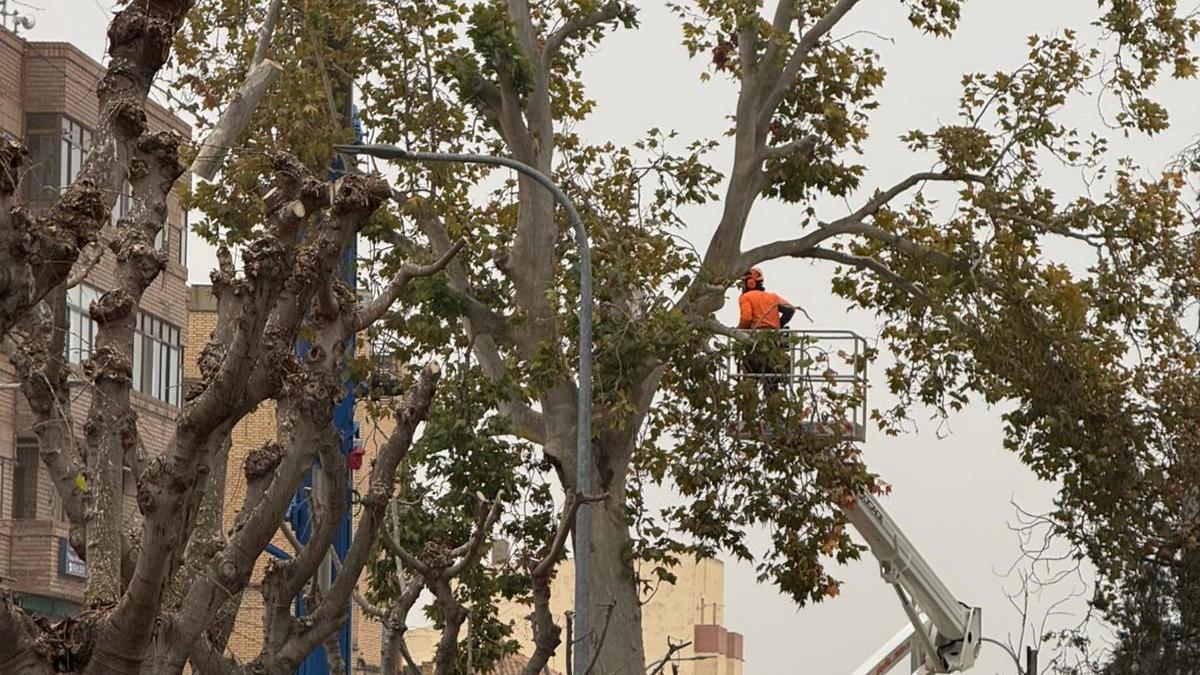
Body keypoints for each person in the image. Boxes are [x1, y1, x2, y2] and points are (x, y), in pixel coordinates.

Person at [737, 267, 796, 396]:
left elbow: (746, 318)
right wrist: (779, 325)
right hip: (775, 344)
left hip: (755, 344)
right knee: (772, 381)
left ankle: (748, 412)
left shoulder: (746, 297)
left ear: (749, 282)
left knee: (750, 380)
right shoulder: (773, 297)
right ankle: (772, 411)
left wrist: (738, 331)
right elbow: (790, 309)